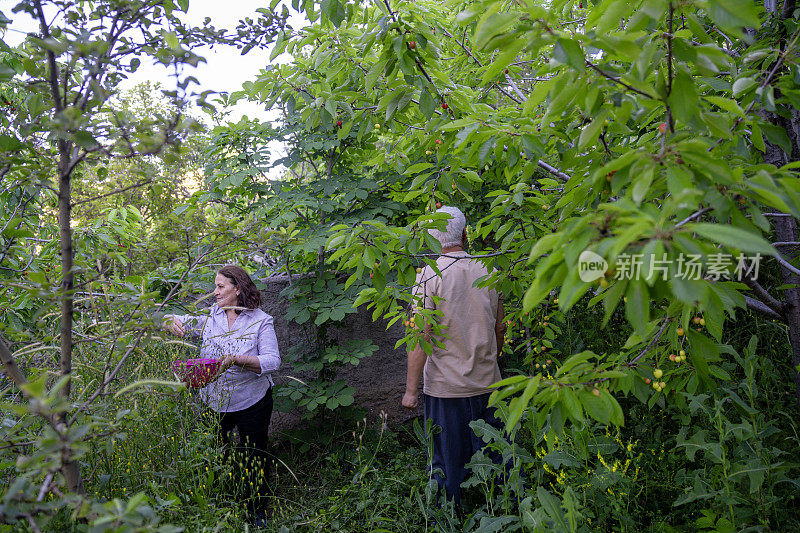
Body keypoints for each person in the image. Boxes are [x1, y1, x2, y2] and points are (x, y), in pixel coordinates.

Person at [401, 206, 506, 506]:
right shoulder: (491, 271)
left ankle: (448, 517)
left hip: (445, 390)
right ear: (464, 233)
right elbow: (500, 327)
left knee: (447, 466)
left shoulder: (427, 279)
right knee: (495, 458)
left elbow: (421, 338)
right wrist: (491, 360)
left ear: (432, 239)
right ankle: (500, 512)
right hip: (488, 385)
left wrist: (410, 391)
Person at [164, 265, 280, 524]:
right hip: (214, 401)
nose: (215, 292)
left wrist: (236, 359)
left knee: (255, 455)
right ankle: (219, 503)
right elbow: (170, 319)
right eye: (215, 286)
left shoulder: (261, 320)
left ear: (237, 289)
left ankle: (256, 511)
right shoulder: (209, 318)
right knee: (213, 452)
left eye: (220, 287)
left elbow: (272, 361)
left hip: (252, 400)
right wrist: (169, 321)